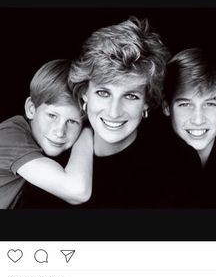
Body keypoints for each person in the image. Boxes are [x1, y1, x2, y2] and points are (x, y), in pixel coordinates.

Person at [65, 15, 171, 208]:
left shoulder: (172, 169)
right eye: (103, 93)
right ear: (84, 94)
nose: (114, 112)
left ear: (147, 102)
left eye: (131, 96)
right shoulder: (52, 159)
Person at [0, 59, 93, 209]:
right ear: (31, 108)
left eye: (73, 121)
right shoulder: (10, 137)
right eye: (52, 116)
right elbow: (77, 191)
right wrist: (88, 131)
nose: (60, 131)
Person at [161, 47, 216, 208]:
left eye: (209, 103)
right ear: (167, 107)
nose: (198, 119)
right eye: (185, 104)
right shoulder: (148, 171)